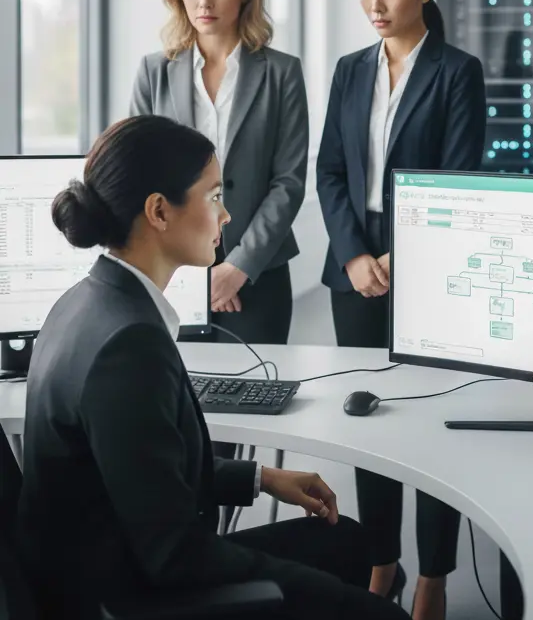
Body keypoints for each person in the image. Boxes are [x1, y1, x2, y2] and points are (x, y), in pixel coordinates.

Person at [16, 115, 409, 620]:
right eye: (215, 195)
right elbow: (175, 553)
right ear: (159, 211)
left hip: (116, 557)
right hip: (123, 595)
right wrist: (325, 595)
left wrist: (261, 477)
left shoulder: (90, 300)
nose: (228, 216)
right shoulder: (127, 346)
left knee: (348, 543)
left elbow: (142, 473)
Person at [316, 0, 486, 620]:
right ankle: (381, 559)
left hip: (430, 260)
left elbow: (461, 178)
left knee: (427, 419)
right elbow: (330, 170)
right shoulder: (351, 69)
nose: (376, 4)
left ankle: (435, 576)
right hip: (354, 266)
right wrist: (356, 255)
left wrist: (400, 255)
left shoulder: (456, 71)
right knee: (369, 422)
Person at [130, 0, 308, 346]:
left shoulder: (281, 73)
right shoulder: (153, 72)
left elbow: (289, 181)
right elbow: (137, 176)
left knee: (255, 399)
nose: (204, 1)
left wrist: (238, 267)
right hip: (174, 271)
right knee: (178, 397)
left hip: (258, 273)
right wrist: (195, 271)